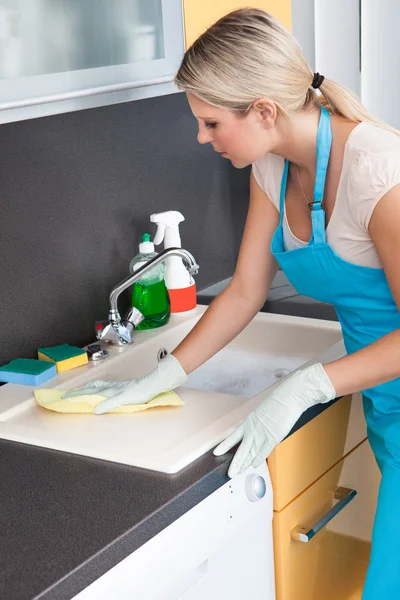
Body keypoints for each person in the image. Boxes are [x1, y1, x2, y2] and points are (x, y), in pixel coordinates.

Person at [64, 9, 400, 597]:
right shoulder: (272, 164)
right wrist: (165, 372)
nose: (202, 138)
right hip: (384, 396)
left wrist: (307, 385)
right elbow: (246, 289)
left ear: (264, 111)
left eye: (211, 123)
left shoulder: (379, 173)